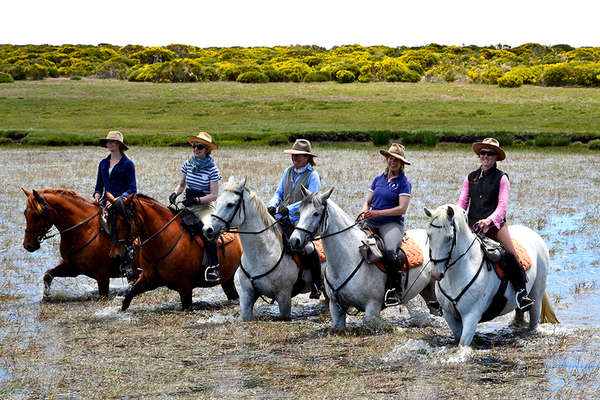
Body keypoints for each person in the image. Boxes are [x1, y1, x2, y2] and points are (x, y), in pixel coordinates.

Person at [457, 137, 534, 311]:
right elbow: (462, 203)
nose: (486, 156)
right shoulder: (470, 177)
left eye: (490, 153)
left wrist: (489, 220)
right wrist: (454, 215)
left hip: (495, 228)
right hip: (472, 227)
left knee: (511, 255)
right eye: (483, 153)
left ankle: (522, 293)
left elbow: (502, 206)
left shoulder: (502, 178)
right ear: (479, 155)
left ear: (496, 157)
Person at [267, 139, 323, 298]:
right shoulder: (288, 172)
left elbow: (311, 200)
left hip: (303, 220)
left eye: (298, 155)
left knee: (309, 249)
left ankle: (316, 283)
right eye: (293, 155)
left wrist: (289, 209)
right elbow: (279, 193)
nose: (294, 158)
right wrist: (272, 204)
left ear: (307, 157)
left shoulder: (313, 176)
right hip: (282, 215)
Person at [359, 143, 412, 306]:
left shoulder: (404, 182)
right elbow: (368, 201)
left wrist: (377, 213)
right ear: (386, 159)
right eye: (390, 158)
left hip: (391, 224)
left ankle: (395, 290)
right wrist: (364, 212)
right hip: (371, 221)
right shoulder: (378, 179)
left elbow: (401, 209)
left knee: (390, 251)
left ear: (401, 163)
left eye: (396, 159)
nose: (392, 161)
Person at [169, 132, 222, 282]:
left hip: (205, 208)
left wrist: (197, 200)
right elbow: (181, 184)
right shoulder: (188, 163)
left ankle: (213, 267)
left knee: (209, 231)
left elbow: (214, 195)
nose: (195, 149)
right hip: (188, 205)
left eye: (199, 147)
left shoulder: (213, 169)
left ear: (207, 150)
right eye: (194, 146)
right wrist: (175, 193)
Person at [94, 130, 137, 204]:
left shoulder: (128, 164)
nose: (109, 144)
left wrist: (117, 200)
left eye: (112, 141)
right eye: (108, 142)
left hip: (122, 203)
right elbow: (99, 187)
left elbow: (132, 189)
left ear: (119, 144)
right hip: (105, 201)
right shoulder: (103, 163)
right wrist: (97, 195)